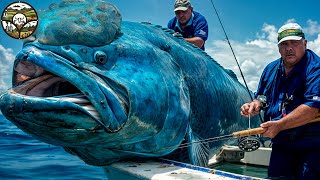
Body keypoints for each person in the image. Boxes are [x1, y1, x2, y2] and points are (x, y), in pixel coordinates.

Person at [240, 22, 320, 179]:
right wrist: (256, 104)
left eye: (294, 43)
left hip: (311, 146)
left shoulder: (316, 68)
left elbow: (312, 108)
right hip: (281, 144)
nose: (289, 48)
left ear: (305, 43)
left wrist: (280, 125)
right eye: (284, 44)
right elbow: (262, 96)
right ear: (278, 47)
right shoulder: (270, 68)